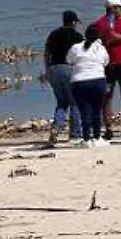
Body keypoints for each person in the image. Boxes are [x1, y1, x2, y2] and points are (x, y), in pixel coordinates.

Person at [89, 0, 121, 141]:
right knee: (118, 96)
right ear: (114, 8)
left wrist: (114, 37)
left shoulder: (101, 23)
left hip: (114, 64)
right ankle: (115, 128)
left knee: (114, 96)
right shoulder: (116, 22)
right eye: (119, 8)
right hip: (116, 63)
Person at [64, 25, 110, 149]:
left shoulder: (75, 47)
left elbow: (69, 60)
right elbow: (106, 62)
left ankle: (86, 138)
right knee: (97, 110)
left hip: (79, 82)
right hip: (98, 80)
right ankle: (97, 137)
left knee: (84, 111)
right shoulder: (101, 48)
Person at [43, 11, 81, 146]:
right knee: (75, 102)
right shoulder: (77, 36)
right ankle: (75, 134)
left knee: (61, 102)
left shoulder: (53, 34)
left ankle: (57, 127)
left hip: (54, 69)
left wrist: (47, 71)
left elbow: (46, 54)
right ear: (73, 22)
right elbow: (80, 55)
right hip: (69, 69)